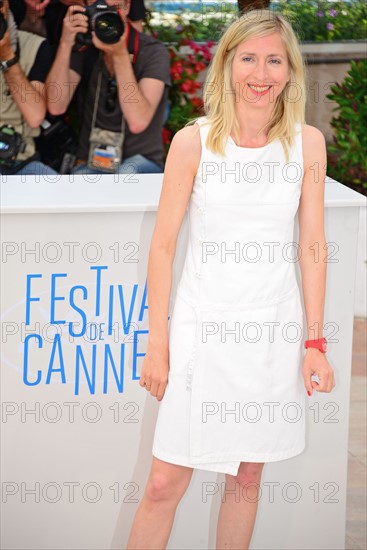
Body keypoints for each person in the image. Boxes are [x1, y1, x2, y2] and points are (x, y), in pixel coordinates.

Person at [126, 8, 336, 549]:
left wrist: (315, 342)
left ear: (290, 70)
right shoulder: (193, 144)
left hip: (270, 334)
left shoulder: (307, 144)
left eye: (273, 59)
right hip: (201, 335)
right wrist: (158, 343)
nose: (260, 73)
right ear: (227, 65)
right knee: (162, 482)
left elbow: (312, 247)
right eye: (248, 58)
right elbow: (164, 247)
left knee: (246, 477)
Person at [45, 0, 171, 175]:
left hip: (140, 160)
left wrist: (119, 55)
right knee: (82, 186)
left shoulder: (152, 51)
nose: (107, 18)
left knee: (125, 178)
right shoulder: (85, 46)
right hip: (91, 160)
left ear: (127, 6)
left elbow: (138, 121)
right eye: (99, 9)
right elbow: (56, 105)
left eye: (114, 9)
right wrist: (66, 44)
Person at [0, 1, 57, 176]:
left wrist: (7, 56)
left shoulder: (35, 47)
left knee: (58, 193)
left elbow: (35, 117)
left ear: (5, 6)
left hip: (19, 161)